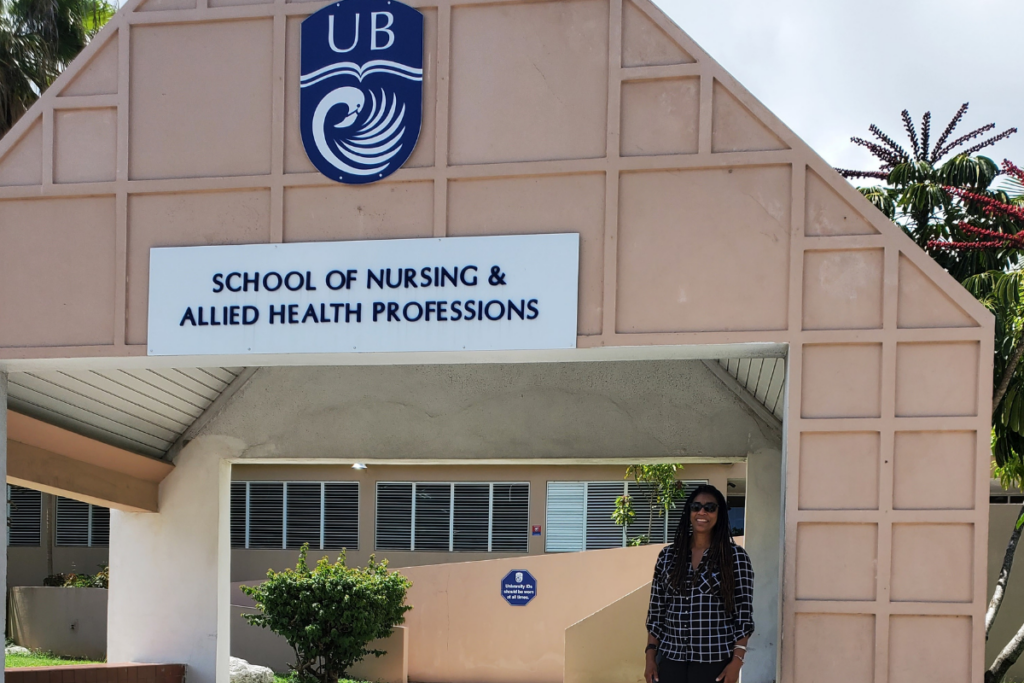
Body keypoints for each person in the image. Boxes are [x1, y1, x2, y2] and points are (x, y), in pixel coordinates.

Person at [644, 484, 754, 683]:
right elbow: (656, 612)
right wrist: (650, 658)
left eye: (710, 507)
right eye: (696, 507)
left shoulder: (735, 558)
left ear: (719, 514)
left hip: (714, 663)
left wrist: (736, 663)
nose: (702, 512)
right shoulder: (668, 556)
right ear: (689, 512)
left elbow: (743, 616)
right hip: (670, 660)